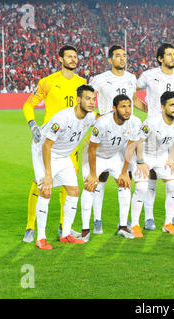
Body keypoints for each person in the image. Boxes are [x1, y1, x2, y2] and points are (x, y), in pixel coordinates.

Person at [22, 45, 87, 243]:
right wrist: (33, 124)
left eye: (76, 57)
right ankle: (30, 227)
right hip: (51, 140)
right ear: (60, 59)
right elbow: (28, 104)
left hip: (71, 142)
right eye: (69, 56)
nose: (73, 60)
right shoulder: (48, 82)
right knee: (40, 182)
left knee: (69, 184)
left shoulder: (82, 83)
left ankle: (63, 227)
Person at [32, 85, 97, 250]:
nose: (91, 102)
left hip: (62, 155)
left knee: (74, 191)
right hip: (43, 152)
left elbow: (101, 119)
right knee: (46, 190)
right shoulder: (62, 119)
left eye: (93, 99)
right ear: (78, 100)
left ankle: (66, 234)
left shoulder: (90, 117)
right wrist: (48, 174)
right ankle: (41, 238)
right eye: (88, 98)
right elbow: (46, 146)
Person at [86, 44, 138, 233]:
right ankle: (97, 220)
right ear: (110, 60)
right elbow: (87, 97)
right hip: (106, 131)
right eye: (118, 56)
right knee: (101, 176)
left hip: (125, 132)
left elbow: (133, 99)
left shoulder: (132, 78)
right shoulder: (100, 79)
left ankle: (123, 224)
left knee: (125, 177)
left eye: (124, 55)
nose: (122, 59)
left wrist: (149, 109)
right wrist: (97, 116)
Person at [135, 43, 174, 230]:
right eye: (169, 54)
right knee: (152, 174)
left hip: (171, 130)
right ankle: (149, 217)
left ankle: (171, 218)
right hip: (152, 131)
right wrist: (147, 109)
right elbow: (133, 92)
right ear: (160, 58)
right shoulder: (149, 75)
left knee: (173, 173)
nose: (173, 57)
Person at [79, 94, 142, 240]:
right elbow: (92, 149)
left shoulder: (134, 122)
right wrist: (93, 174)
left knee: (125, 184)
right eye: (123, 106)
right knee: (90, 185)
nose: (127, 110)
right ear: (114, 108)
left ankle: (123, 226)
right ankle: (85, 230)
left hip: (114, 156)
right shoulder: (102, 123)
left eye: (129, 106)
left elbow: (131, 147)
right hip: (95, 156)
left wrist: (125, 172)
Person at [129, 91, 174, 237]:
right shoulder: (152, 122)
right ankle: (135, 225)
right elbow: (138, 141)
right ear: (162, 107)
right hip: (143, 155)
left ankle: (168, 223)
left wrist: (171, 158)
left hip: (162, 156)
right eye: (171, 105)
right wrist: (141, 162)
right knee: (142, 187)